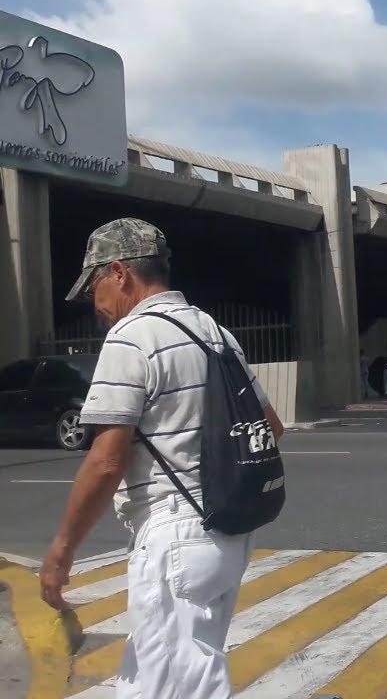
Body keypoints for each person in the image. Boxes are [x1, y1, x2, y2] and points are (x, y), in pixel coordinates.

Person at [39, 218, 284, 699]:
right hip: (227, 528)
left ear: (118, 273)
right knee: (168, 673)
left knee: (173, 685)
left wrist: (62, 550)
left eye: (93, 286)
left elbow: (105, 462)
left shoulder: (131, 336)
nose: (95, 302)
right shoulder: (213, 331)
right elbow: (270, 427)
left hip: (175, 532)